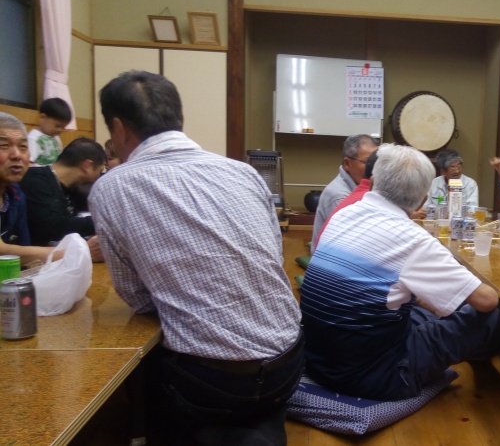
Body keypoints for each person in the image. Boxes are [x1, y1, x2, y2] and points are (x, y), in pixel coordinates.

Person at [90, 71, 304, 445]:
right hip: (289, 363)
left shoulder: (112, 187)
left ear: (119, 128)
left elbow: (138, 299)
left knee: (145, 366)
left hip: (211, 383)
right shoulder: (243, 172)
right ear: (178, 117)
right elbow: (273, 253)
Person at [301, 143, 500, 401]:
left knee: (421, 308)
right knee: (489, 319)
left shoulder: (344, 214)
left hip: (317, 361)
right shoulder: (412, 238)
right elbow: (486, 300)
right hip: (375, 376)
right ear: (423, 198)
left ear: (373, 180)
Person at [20, 138, 105, 249]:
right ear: (87, 166)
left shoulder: (72, 187)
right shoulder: (35, 180)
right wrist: (103, 222)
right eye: (100, 171)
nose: (99, 177)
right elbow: (52, 226)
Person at [0, 113, 58, 264]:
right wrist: (71, 252)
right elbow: (2, 251)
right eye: (4, 146)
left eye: (23, 147)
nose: (17, 155)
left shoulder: (15, 194)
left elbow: (24, 249)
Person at [310, 134, 379, 253]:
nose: (374, 168)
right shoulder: (338, 195)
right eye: (368, 162)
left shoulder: (360, 185)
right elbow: (353, 241)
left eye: (377, 162)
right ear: (347, 163)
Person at [27, 97, 72, 166]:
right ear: (43, 117)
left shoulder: (56, 137)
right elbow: (29, 163)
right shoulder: (33, 138)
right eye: (57, 126)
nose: (60, 130)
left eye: (63, 127)